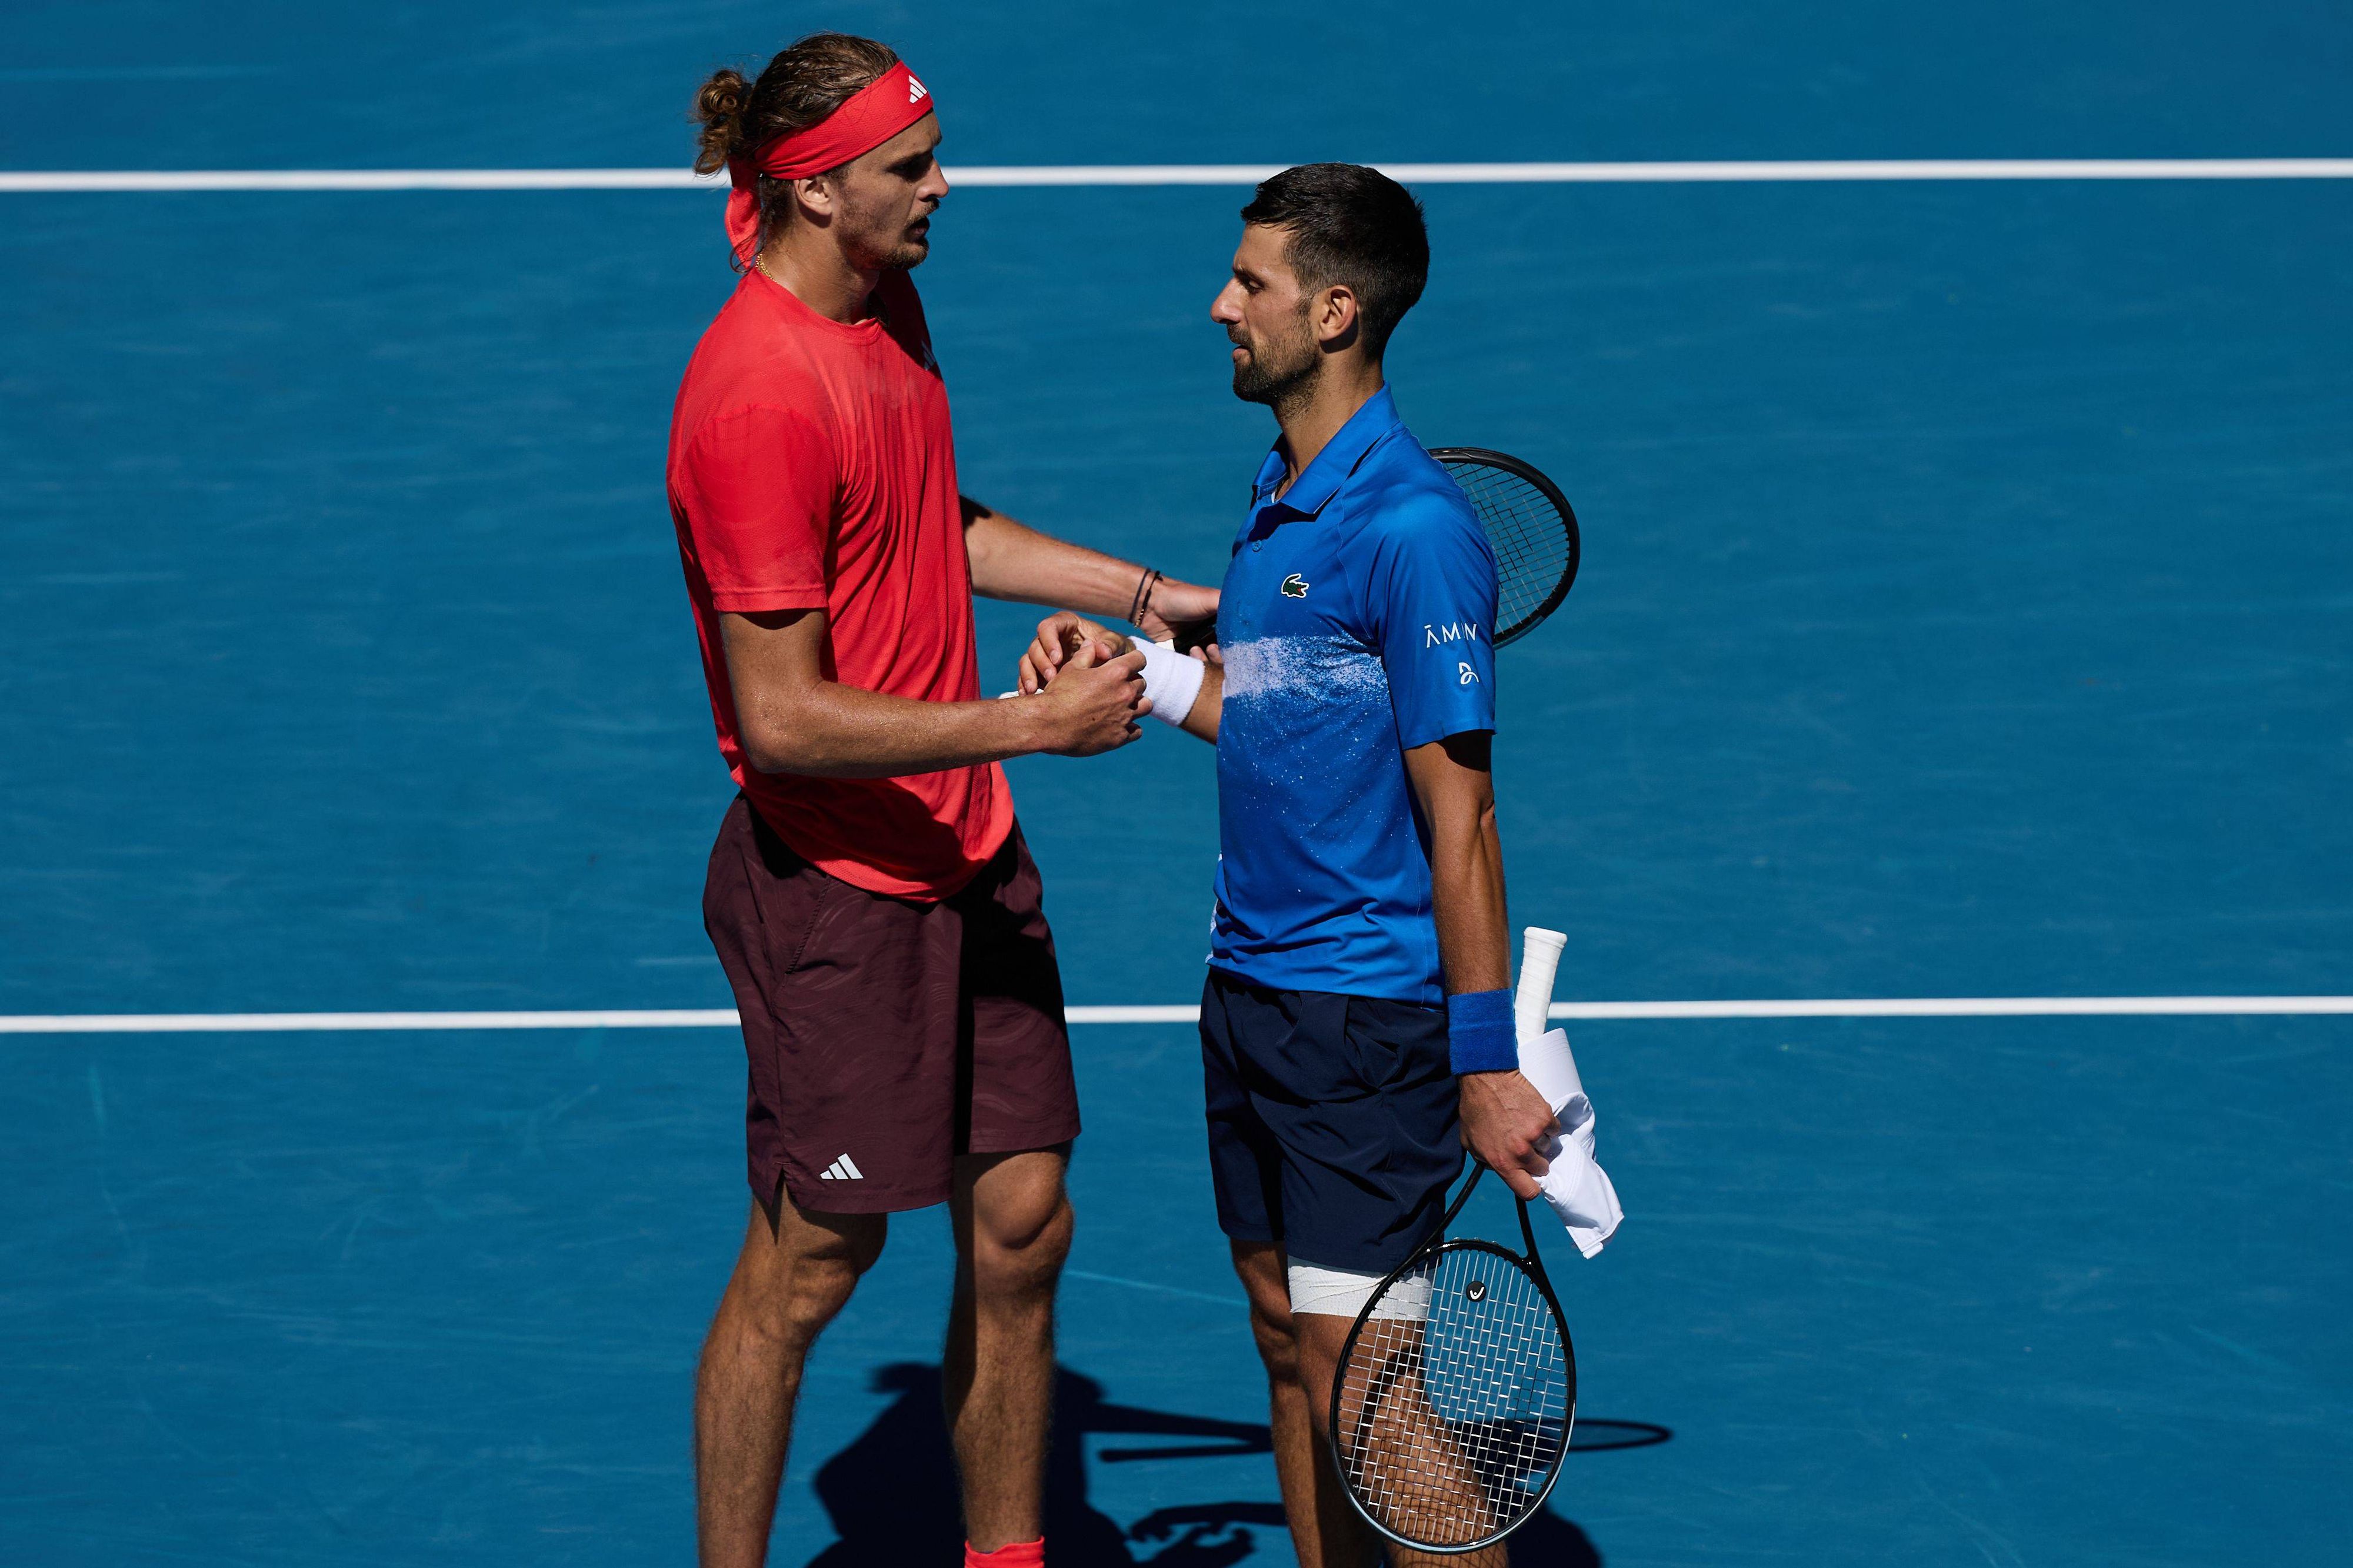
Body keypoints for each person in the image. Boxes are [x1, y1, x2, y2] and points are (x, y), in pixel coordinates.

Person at [668, 33, 1218, 1568]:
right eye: (912, 166)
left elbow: (931, 519)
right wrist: (1024, 725)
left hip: (967, 854)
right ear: (820, 187)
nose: (943, 185)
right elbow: (777, 719)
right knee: (812, 1266)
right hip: (840, 890)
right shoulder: (756, 401)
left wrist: (1154, 593)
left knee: (1026, 1223)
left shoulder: (875, 296)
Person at [1016, 164, 1560, 1566]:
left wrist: (1485, 1058)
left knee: (1372, 1397)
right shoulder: (1281, 493)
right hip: (1249, 991)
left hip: (1360, 1024)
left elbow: (1465, 822)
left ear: (1331, 311)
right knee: (1285, 1344)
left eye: (1248, 282)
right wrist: (1131, 665)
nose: (1219, 304)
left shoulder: (1415, 531)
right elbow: (1265, 713)